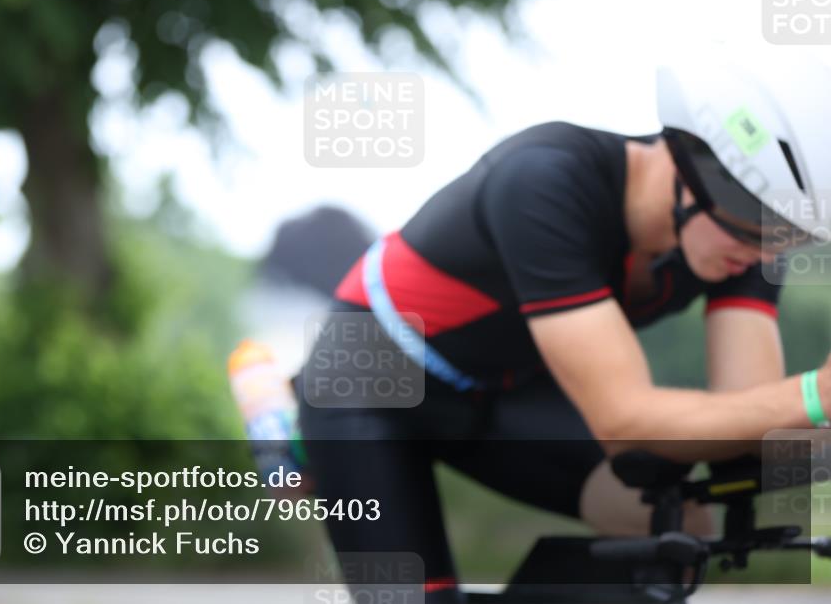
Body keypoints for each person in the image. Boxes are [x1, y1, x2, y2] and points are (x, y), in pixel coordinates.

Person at [292, 53, 831, 602]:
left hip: (506, 388)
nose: (769, 252)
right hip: (369, 380)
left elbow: (753, 423)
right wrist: (818, 393)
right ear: (689, 170)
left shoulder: (744, 242)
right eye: (757, 225)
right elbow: (626, 421)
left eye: (791, 234)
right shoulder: (546, 178)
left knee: (677, 527)